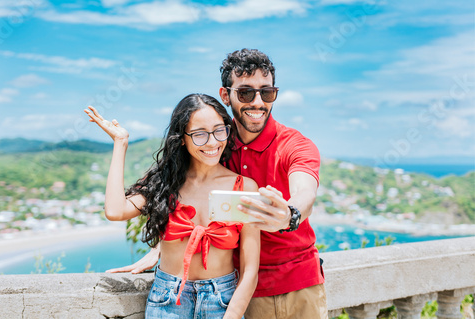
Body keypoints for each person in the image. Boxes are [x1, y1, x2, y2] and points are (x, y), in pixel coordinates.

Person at [107, 49, 327, 319]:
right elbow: (183, 188)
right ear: (226, 95)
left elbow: (305, 192)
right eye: (246, 92)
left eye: (267, 92)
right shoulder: (217, 140)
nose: (258, 102)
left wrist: (289, 214)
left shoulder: (293, 145)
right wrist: (164, 245)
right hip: (234, 291)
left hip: (294, 282)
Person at [85, 93, 260, 319]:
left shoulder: (244, 187)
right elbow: (115, 211)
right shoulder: (164, 182)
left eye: (219, 130)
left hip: (223, 302)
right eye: (199, 134)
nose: (212, 142)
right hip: (167, 300)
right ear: (182, 138)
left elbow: (250, 270)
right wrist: (120, 143)